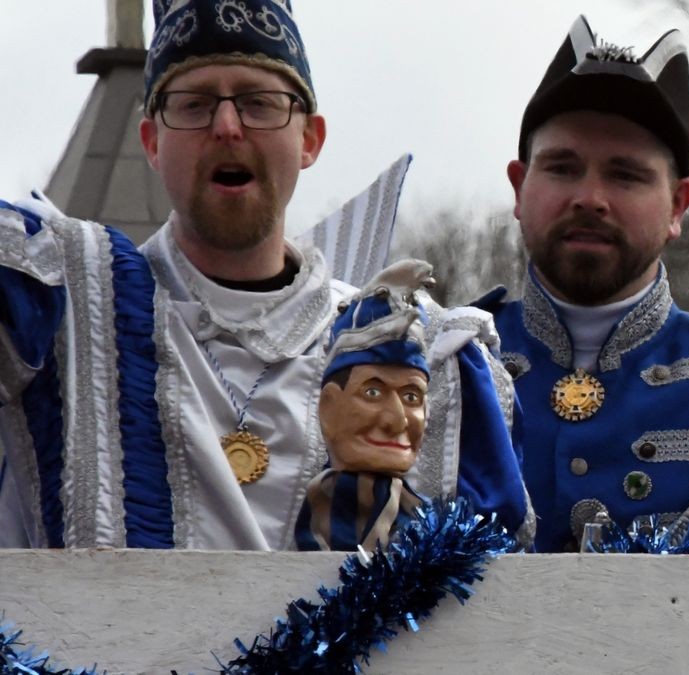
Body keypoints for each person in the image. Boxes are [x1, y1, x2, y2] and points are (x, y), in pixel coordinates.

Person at [0, 1, 529, 550]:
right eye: (194, 104)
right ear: (152, 142)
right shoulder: (64, 308)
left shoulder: (430, 355)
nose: (227, 126)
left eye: (259, 103)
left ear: (310, 140)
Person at [473, 16, 689, 552]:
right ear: (519, 188)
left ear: (679, 205)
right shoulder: (441, 362)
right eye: (562, 168)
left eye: (625, 175)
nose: (590, 198)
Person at [295, 260, 531, 552]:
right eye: (372, 392)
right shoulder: (304, 510)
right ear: (328, 409)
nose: (397, 420)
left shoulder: (434, 540)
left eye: (411, 397)